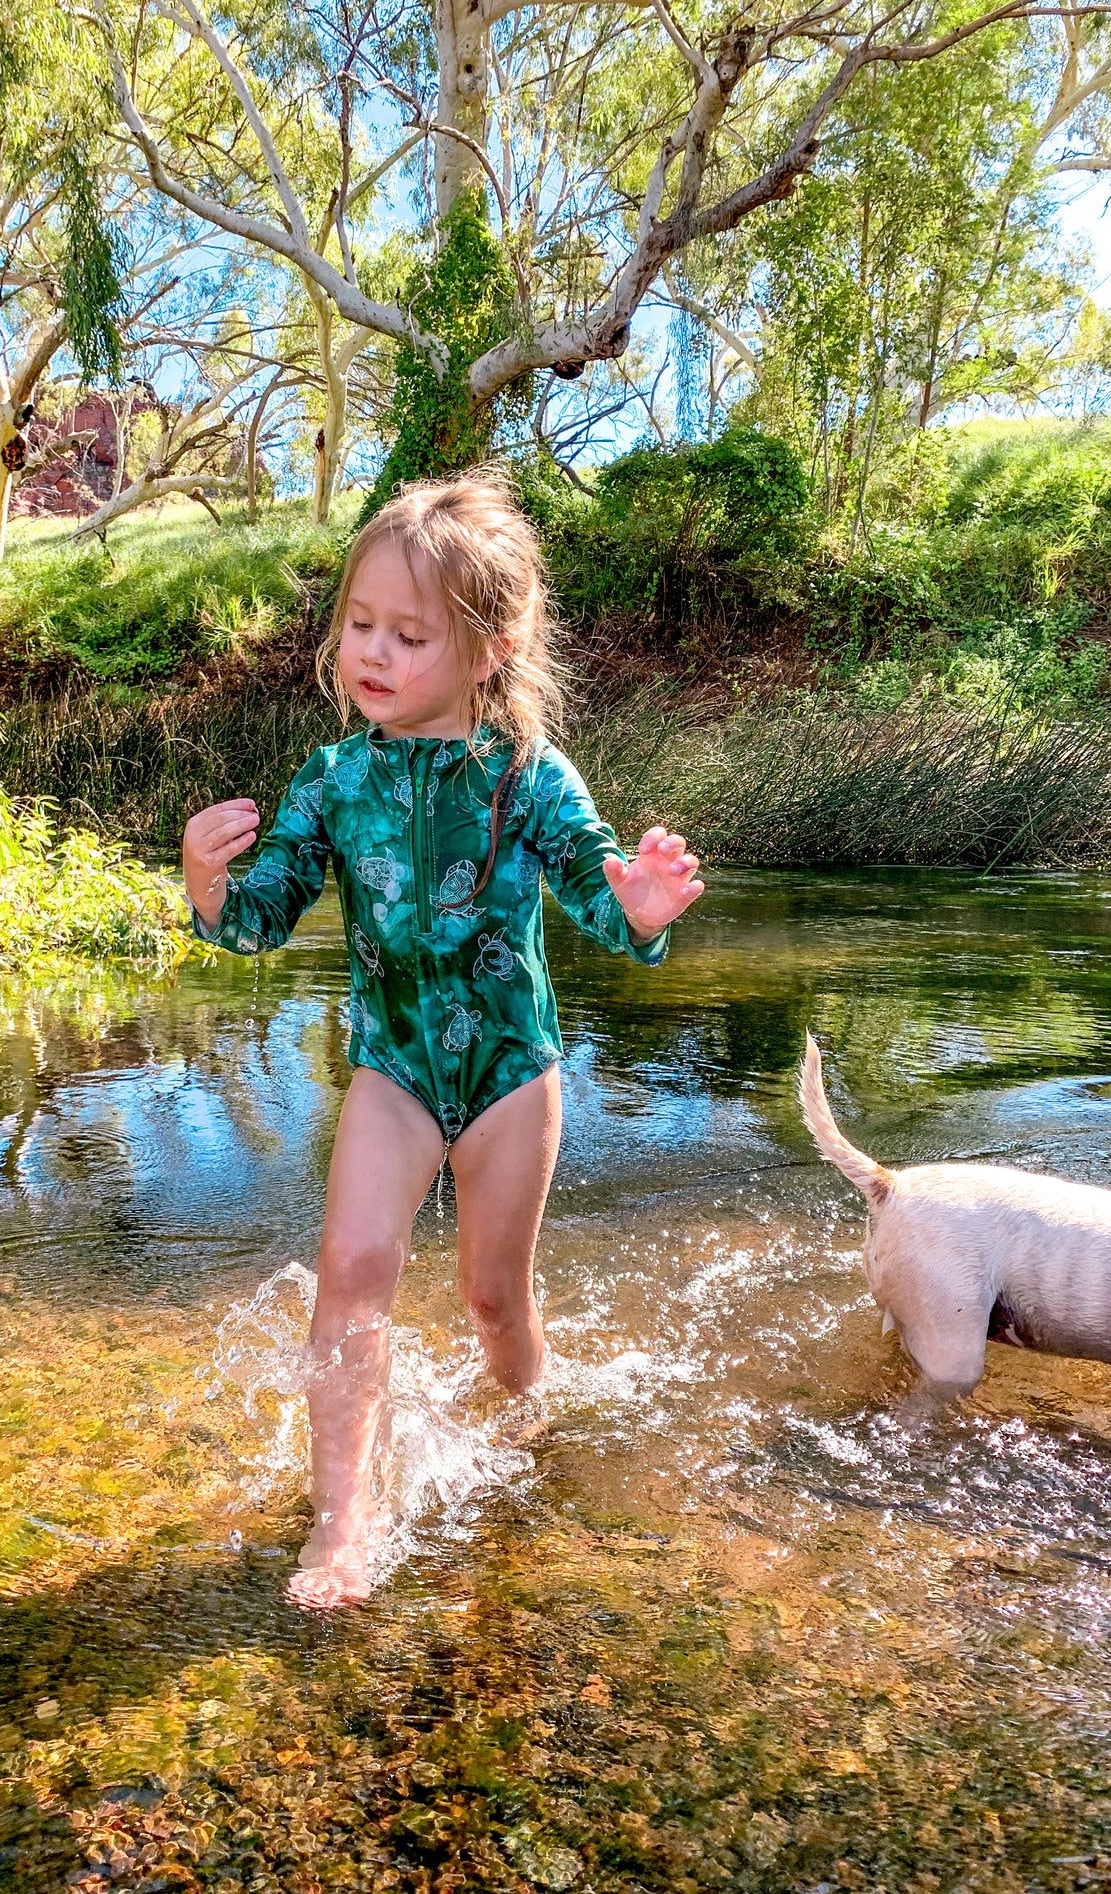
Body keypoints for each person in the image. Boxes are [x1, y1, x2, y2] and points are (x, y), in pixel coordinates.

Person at [182, 470, 704, 1608]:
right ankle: (340, 1524)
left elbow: (593, 888)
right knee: (353, 1268)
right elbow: (262, 918)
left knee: (488, 1297)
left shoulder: (526, 776)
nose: (371, 651)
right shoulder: (331, 779)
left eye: (407, 634)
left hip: (511, 1071)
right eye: (358, 625)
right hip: (393, 1065)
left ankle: (527, 1426)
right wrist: (210, 888)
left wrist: (640, 910)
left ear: (489, 646)